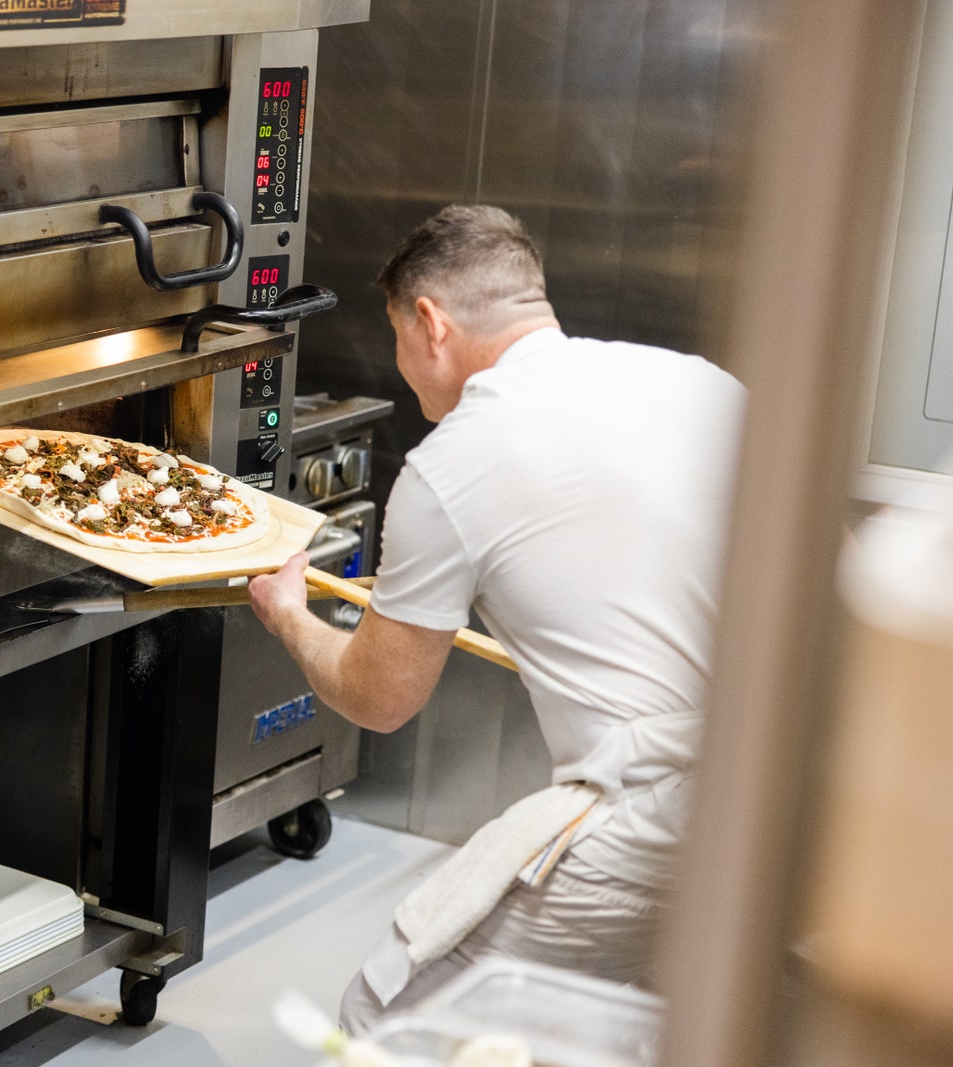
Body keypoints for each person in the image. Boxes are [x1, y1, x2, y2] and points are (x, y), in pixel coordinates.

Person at [247, 205, 745, 1034]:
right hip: (806, 793)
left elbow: (381, 697)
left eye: (399, 339)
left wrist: (291, 616)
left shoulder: (453, 465)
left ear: (431, 324)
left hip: (654, 819)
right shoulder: (702, 381)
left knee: (384, 1020)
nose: (404, 366)